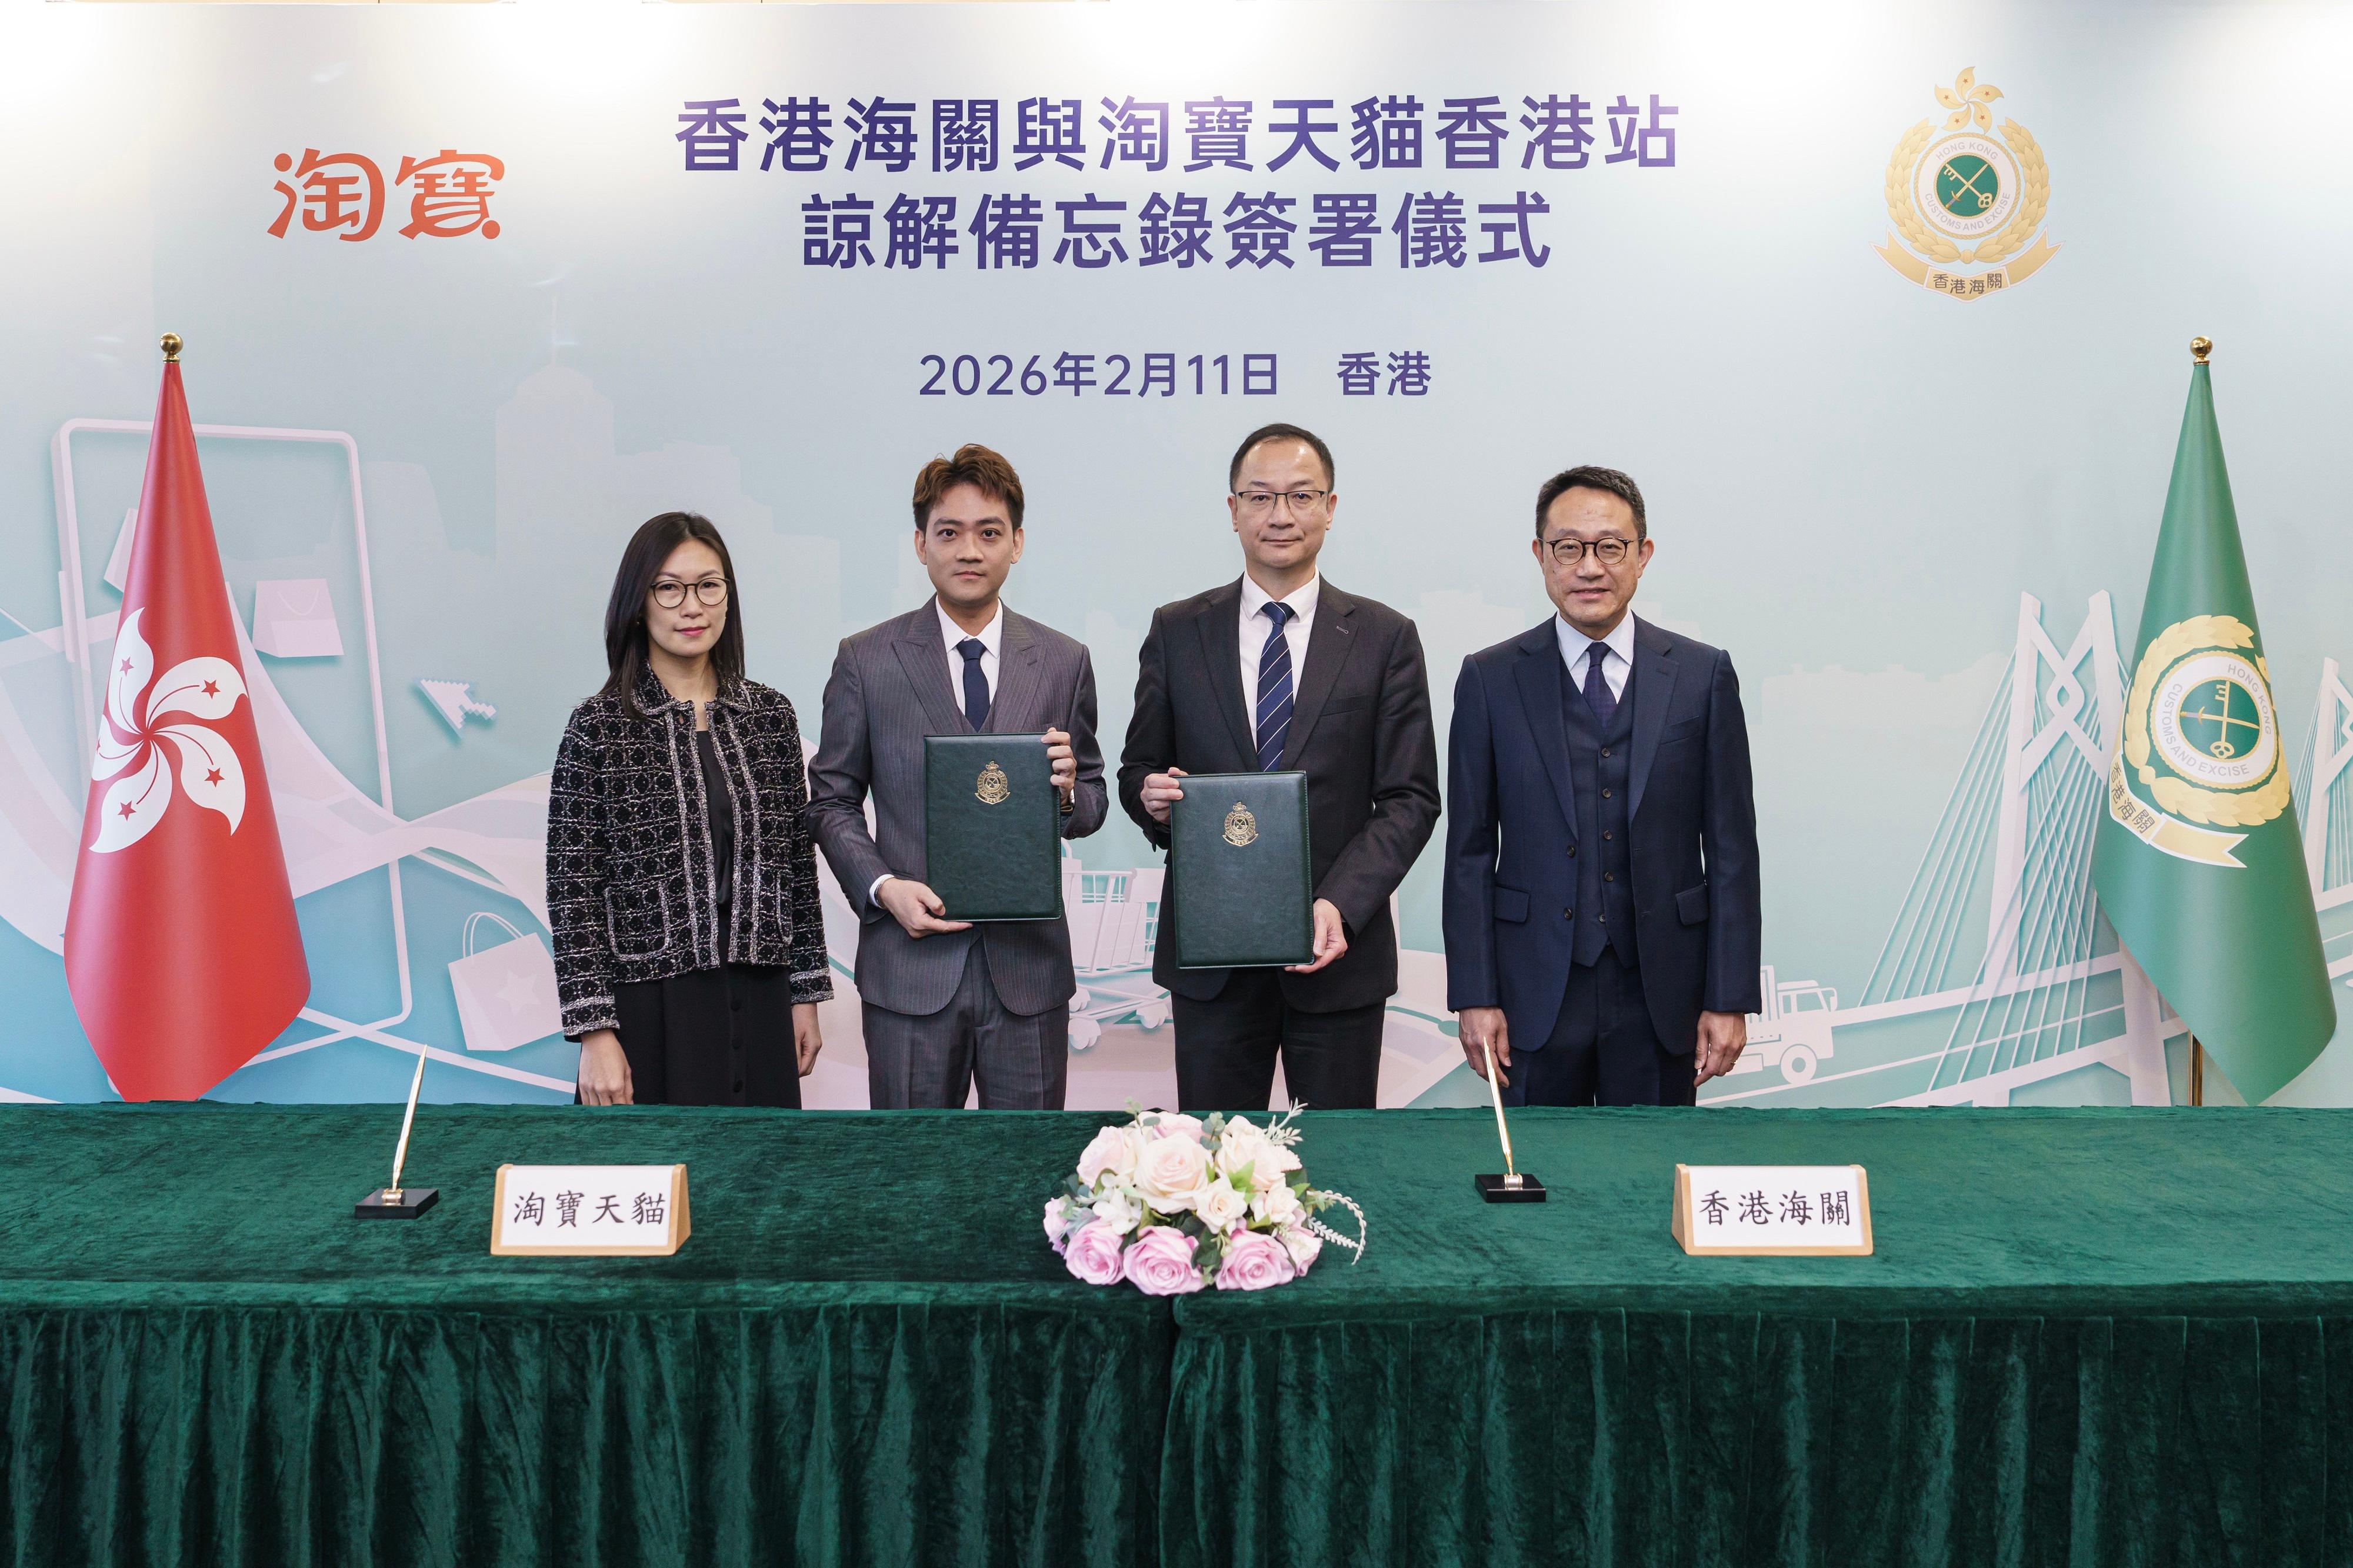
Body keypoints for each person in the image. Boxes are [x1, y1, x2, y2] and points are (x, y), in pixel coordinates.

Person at [1120, 423, 1440, 1112]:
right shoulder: (1177, 630)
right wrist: (1149, 797)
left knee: (1339, 1161)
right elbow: (1139, 765)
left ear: (1330, 507)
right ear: (1233, 509)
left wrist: (1339, 904)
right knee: (1211, 1158)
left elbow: (1410, 797)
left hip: (1336, 956)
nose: (1280, 514)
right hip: (1212, 959)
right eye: (1260, 496)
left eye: (1301, 495)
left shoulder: (1384, 637)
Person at [1443, 465, 1762, 1107]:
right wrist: (1475, 995)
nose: (1589, 567)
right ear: (1540, 556)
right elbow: (1469, 851)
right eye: (1568, 547)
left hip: (1663, 989)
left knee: (1652, 1163)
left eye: (1610, 547)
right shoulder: (1490, 679)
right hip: (1534, 988)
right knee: (1539, 1164)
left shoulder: (1702, 676)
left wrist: (1728, 997)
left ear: (1643, 555)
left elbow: (1732, 849)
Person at [808, 444, 1107, 1109]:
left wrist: (1065, 794)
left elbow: (1091, 799)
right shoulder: (867, 659)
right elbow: (831, 801)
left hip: (1027, 973)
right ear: (921, 544)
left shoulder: (1064, 661)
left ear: (1017, 543)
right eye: (949, 533)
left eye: (989, 533)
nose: (969, 550)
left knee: (1025, 1168)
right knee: (912, 1168)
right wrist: (883, 888)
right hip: (908, 971)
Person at [549, 512, 832, 1106]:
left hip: (760, 990)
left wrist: (804, 993)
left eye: (709, 585)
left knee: (759, 1163)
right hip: (649, 1001)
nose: (692, 606)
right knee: (656, 1161)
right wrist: (594, 1031)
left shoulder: (770, 717)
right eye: (670, 588)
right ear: (638, 603)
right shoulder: (598, 727)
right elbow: (574, 891)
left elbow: (796, 869)